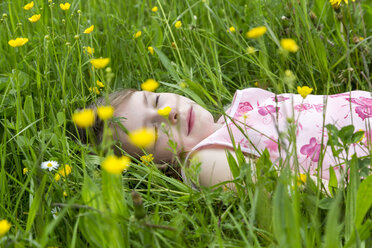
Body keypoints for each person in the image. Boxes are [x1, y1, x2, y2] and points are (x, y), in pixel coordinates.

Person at [87, 88, 372, 188]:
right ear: (156, 165)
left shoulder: (229, 119)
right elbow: (302, 193)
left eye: (157, 99)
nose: (168, 112)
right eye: (153, 130)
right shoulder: (205, 162)